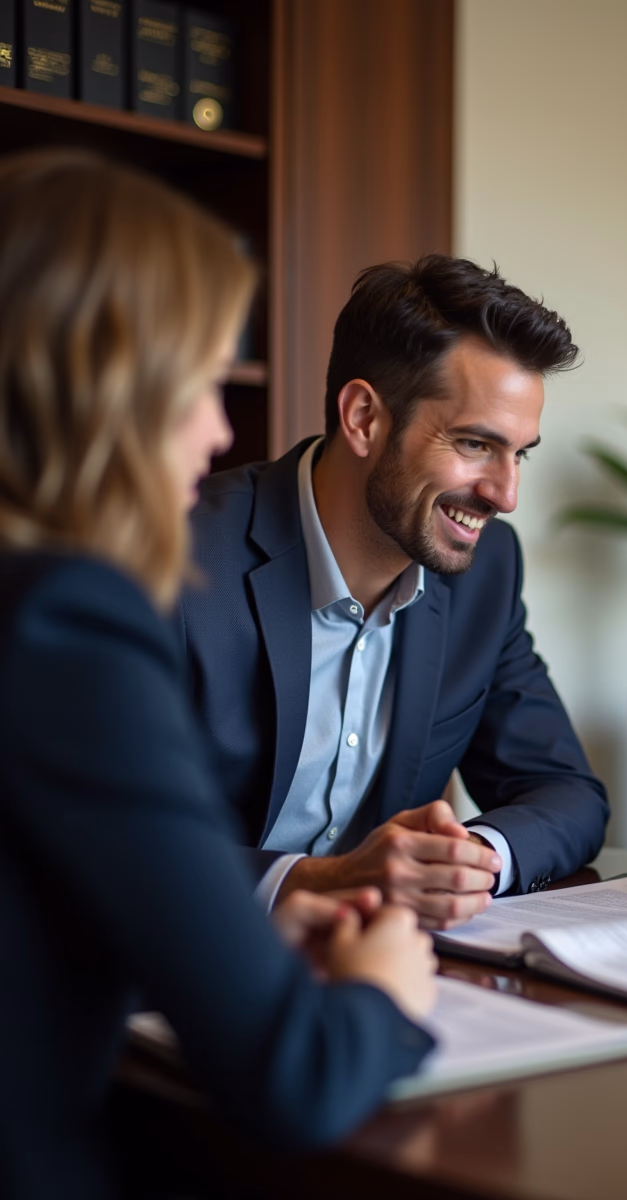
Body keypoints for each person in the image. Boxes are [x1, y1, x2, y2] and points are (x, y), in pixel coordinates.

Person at [0, 150, 439, 1200]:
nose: (220, 428)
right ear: (102, 390)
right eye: (199, 382)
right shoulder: (65, 619)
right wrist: (383, 992)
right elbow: (295, 1077)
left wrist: (232, 930)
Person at [180, 255, 608, 926]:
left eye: (519, 453)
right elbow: (92, 830)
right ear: (363, 418)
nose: (506, 495)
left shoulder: (487, 571)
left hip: (386, 962)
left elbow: (566, 793)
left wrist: (466, 860)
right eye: (475, 444)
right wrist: (315, 882)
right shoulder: (177, 555)